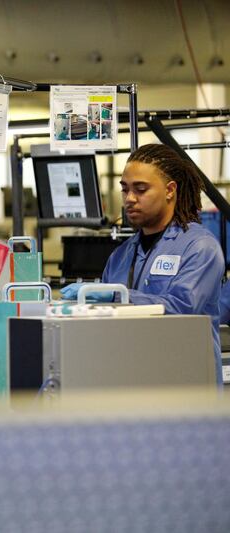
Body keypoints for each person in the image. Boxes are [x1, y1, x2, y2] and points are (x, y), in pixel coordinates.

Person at [61, 143, 224, 383]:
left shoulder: (199, 247)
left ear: (170, 190)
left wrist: (119, 297)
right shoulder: (120, 255)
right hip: (133, 384)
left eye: (141, 189)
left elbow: (183, 309)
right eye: (125, 189)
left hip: (186, 387)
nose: (130, 199)